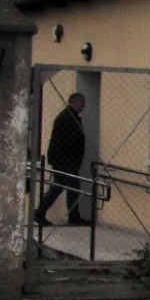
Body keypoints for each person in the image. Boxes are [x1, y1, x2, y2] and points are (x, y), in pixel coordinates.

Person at [35, 94, 90, 227]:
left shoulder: (67, 116)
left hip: (63, 159)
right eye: (82, 104)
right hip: (65, 160)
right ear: (76, 102)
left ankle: (40, 213)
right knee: (73, 187)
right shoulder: (68, 118)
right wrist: (73, 160)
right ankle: (73, 217)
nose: (83, 107)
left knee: (58, 187)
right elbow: (71, 141)